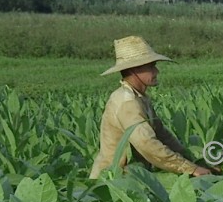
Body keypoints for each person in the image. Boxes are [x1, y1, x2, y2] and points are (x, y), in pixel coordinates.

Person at [91, 36, 216, 178]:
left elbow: (162, 135)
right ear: (134, 70)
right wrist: (189, 168)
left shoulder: (140, 97)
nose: (156, 71)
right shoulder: (127, 102)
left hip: (133, 176)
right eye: (151, 67)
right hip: (113, 180)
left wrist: (194, 162)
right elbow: (146, 143)